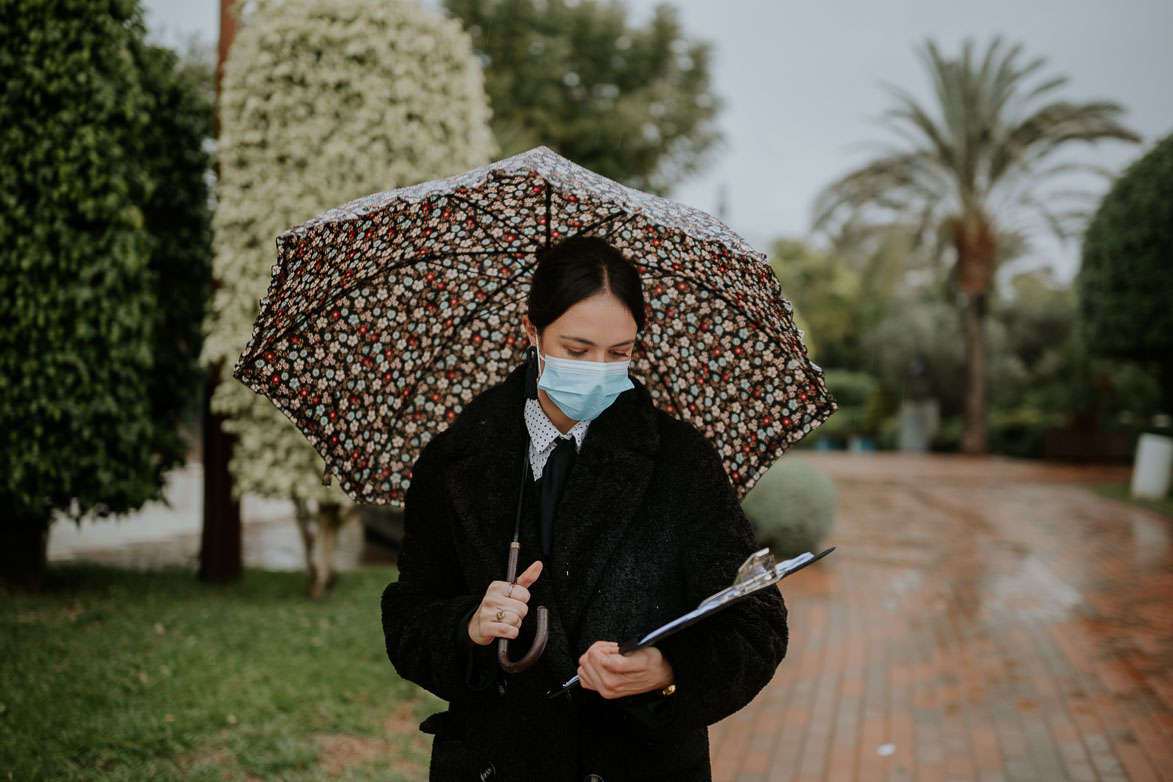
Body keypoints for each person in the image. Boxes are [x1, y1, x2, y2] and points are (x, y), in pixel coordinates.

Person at [381, 235, 789, 781]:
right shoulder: (455, 458)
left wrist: (664, 671)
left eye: (619, 354)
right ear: (532, 333)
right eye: (577, 351)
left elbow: (754, 621)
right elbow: (409, 614)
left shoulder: (680, 461)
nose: (599, 369)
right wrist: (468, 628)